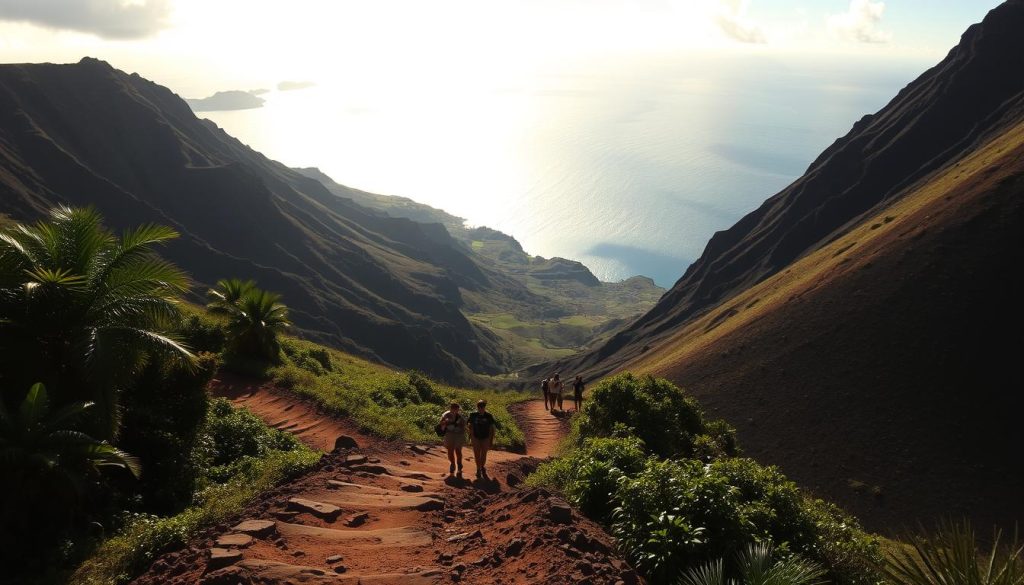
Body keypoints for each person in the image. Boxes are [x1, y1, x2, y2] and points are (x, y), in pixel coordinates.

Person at [468, 399, 497, 479]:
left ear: (484, 407)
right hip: (475, 437)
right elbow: (469, 425)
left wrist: (491, 440)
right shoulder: (473, 415)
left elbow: (492, 428)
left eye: (482, 406)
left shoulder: (489, 416)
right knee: (477, 454)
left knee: (483, 454)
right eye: (479, 406)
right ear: (477, 407)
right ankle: (478, 469)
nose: (481, 408)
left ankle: (481, 466)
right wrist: (470, 435)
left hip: (486, 437)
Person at [438, 402, 466, 475]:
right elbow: (441, 423)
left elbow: (463, 426)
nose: (454, 410)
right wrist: (445, 422)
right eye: (453, 408)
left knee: (458, 450)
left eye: (456, 408)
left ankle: (459, 464)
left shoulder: (460, 416)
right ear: (451, 408)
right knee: (450, 450)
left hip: (459, 435)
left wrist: (459, 426)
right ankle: (452, 464)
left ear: (458, 409)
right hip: (449, 434)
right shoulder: (446, 414)